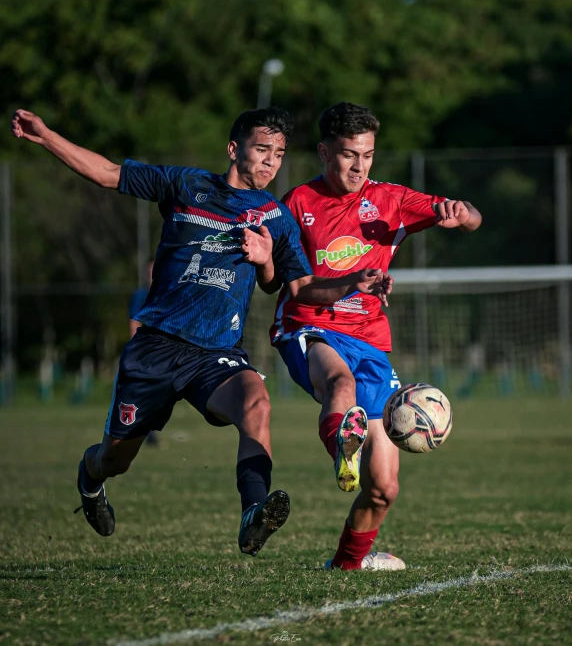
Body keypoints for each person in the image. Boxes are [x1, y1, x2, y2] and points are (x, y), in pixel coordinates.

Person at [11, 105, 393, 558]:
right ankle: (90, 477)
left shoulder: (276, 217)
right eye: (262, 150)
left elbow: (299, 288)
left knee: (256, 403)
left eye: (280, 153)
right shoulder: (186, 185)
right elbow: (109, 173)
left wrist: (347, 280)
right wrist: (47, 136)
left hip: (216, 352)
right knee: (116, 459)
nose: (272, 161)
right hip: (156, 345)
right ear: (234, 149)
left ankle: (255, 513)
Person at [262, 102, 481, 570]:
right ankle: (344, 444)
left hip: (370, 341)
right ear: (324, 152)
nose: (359, 167)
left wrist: (461, 213)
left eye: (367, 155)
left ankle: (345, 566)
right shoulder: (297, 204)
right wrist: (352, 283)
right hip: (308, 324)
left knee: (384, 488)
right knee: (339, 386)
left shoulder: (391, 200)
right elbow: (295, 289)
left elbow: (474, 219)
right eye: (347, 155)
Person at [129, 260, 160, 446]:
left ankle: (148, 429)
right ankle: (142, 429)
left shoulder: (168, 291)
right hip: (146, 350)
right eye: (149, 271)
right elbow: (134, 322)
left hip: (165, 350)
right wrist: (136, 349)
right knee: (144, 391)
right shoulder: (140, 295)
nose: (152, 274)